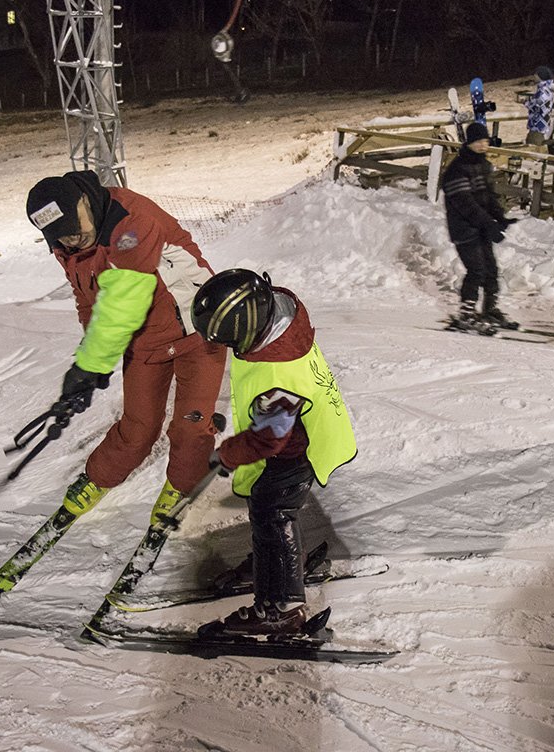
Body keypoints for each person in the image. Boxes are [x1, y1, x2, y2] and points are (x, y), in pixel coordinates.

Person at [25, 170, 226, 525]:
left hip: (198, 329)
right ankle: (98, 478)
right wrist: (94, 354)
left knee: (190, 426)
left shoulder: (132, 221)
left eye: (76, 230)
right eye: (62, 238)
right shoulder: (67, 244)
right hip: (145, 340)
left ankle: (181, 487)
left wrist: (91, 364)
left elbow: (124, 301)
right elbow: (88, 299)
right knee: (138, 427)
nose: (72, 242)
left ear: (84, 202)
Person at [191, 269, 357, 636]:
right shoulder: (280, 317)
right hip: (300, 432)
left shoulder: (277, 371)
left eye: (225, 339)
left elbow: (268, 438)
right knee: (265, 506)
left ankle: (282, 605)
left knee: (273, 510)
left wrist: (228, 454)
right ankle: (273, 563)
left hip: (298, 448)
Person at [440, 121, 517, 329]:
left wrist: (499, 217)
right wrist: (489, 224)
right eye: (479, 142)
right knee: (476, 270)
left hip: (481, 227)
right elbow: (466, 204)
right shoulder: (456, 170)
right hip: (463, 228)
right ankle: (466, 313)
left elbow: (488, 196)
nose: (483, 146)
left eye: (486, 141)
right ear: (469, 143)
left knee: (491, 269)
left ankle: (490, 309)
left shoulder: (482, 165)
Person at [524, 66, 554, 147]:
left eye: (536, 74)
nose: (534, 76)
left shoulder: (543, 90)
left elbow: (536, 104)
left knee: (533, 151)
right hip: (543, 125)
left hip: (538, 127)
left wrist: (526, 102)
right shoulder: (548, 88)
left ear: (541, 76)